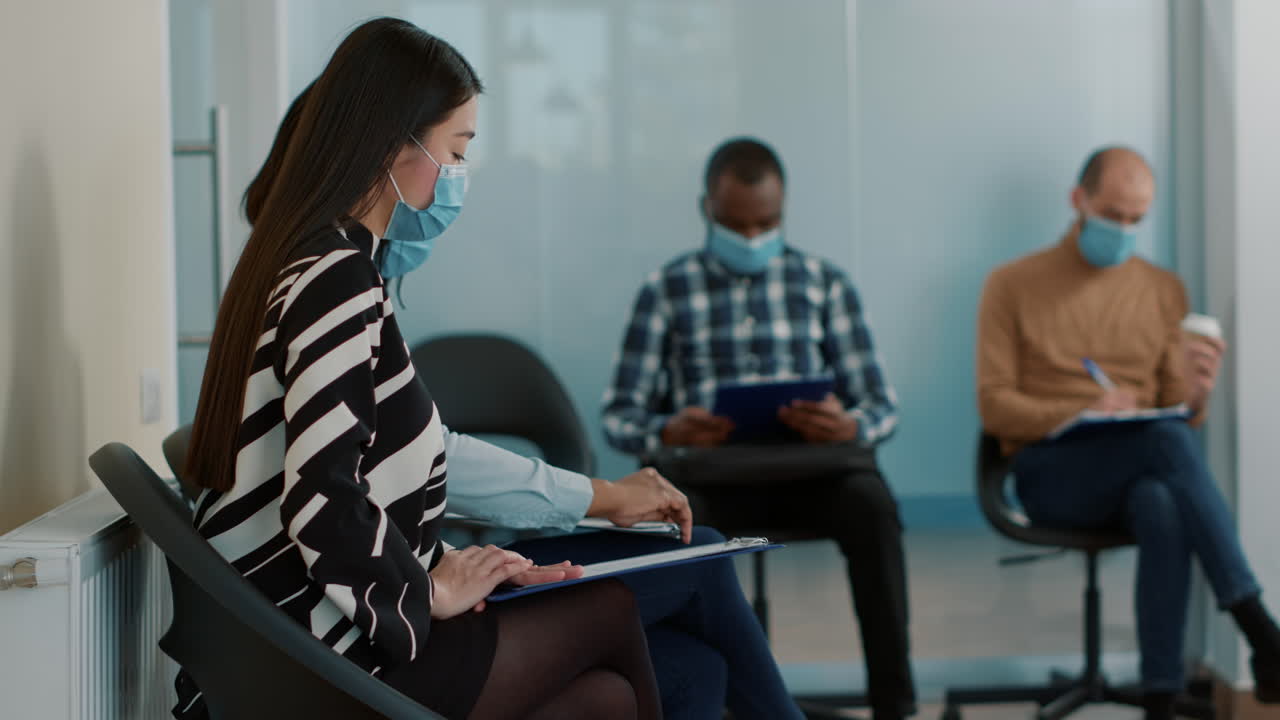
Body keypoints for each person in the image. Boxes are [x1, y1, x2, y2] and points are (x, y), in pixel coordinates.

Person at [181, 18, 802, 720]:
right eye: (456, 149)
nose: (458, 176)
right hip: (336, 647)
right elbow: (323, 496)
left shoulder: (317, 264)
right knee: (648, 598)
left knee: (682, 673)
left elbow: (378, 474)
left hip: (323, 625)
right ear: (393, 142)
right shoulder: (335, 277)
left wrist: (466, 563)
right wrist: (427, 591)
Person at [602, 137, 917, 720]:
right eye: (735, 224)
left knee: (871, 504)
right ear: (707, 210)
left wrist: (849, 424)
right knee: (668, 526)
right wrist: (669, 430)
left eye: (766, 223)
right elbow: (619, 415)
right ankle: (707, 699)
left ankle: (895, 706)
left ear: (784, 209)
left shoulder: (826, 284)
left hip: (813, 476)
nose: (751, 237)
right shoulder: (665, 290)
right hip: (711, 483)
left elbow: (883, 406)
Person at [976, 146, 1280, 719]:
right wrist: (1087, 407)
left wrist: (1195, 395)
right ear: (1078, 201)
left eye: (1137, 218)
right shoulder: (1011, 285)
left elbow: (1175, 412)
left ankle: (1160, 700)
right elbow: (995, 408)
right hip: (1051, 471)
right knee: (1165, 448)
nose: (1124, 229)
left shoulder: (1164, 290)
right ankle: (1259, 626)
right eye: (1113, 214)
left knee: (1161, 497)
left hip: (1142, 463)